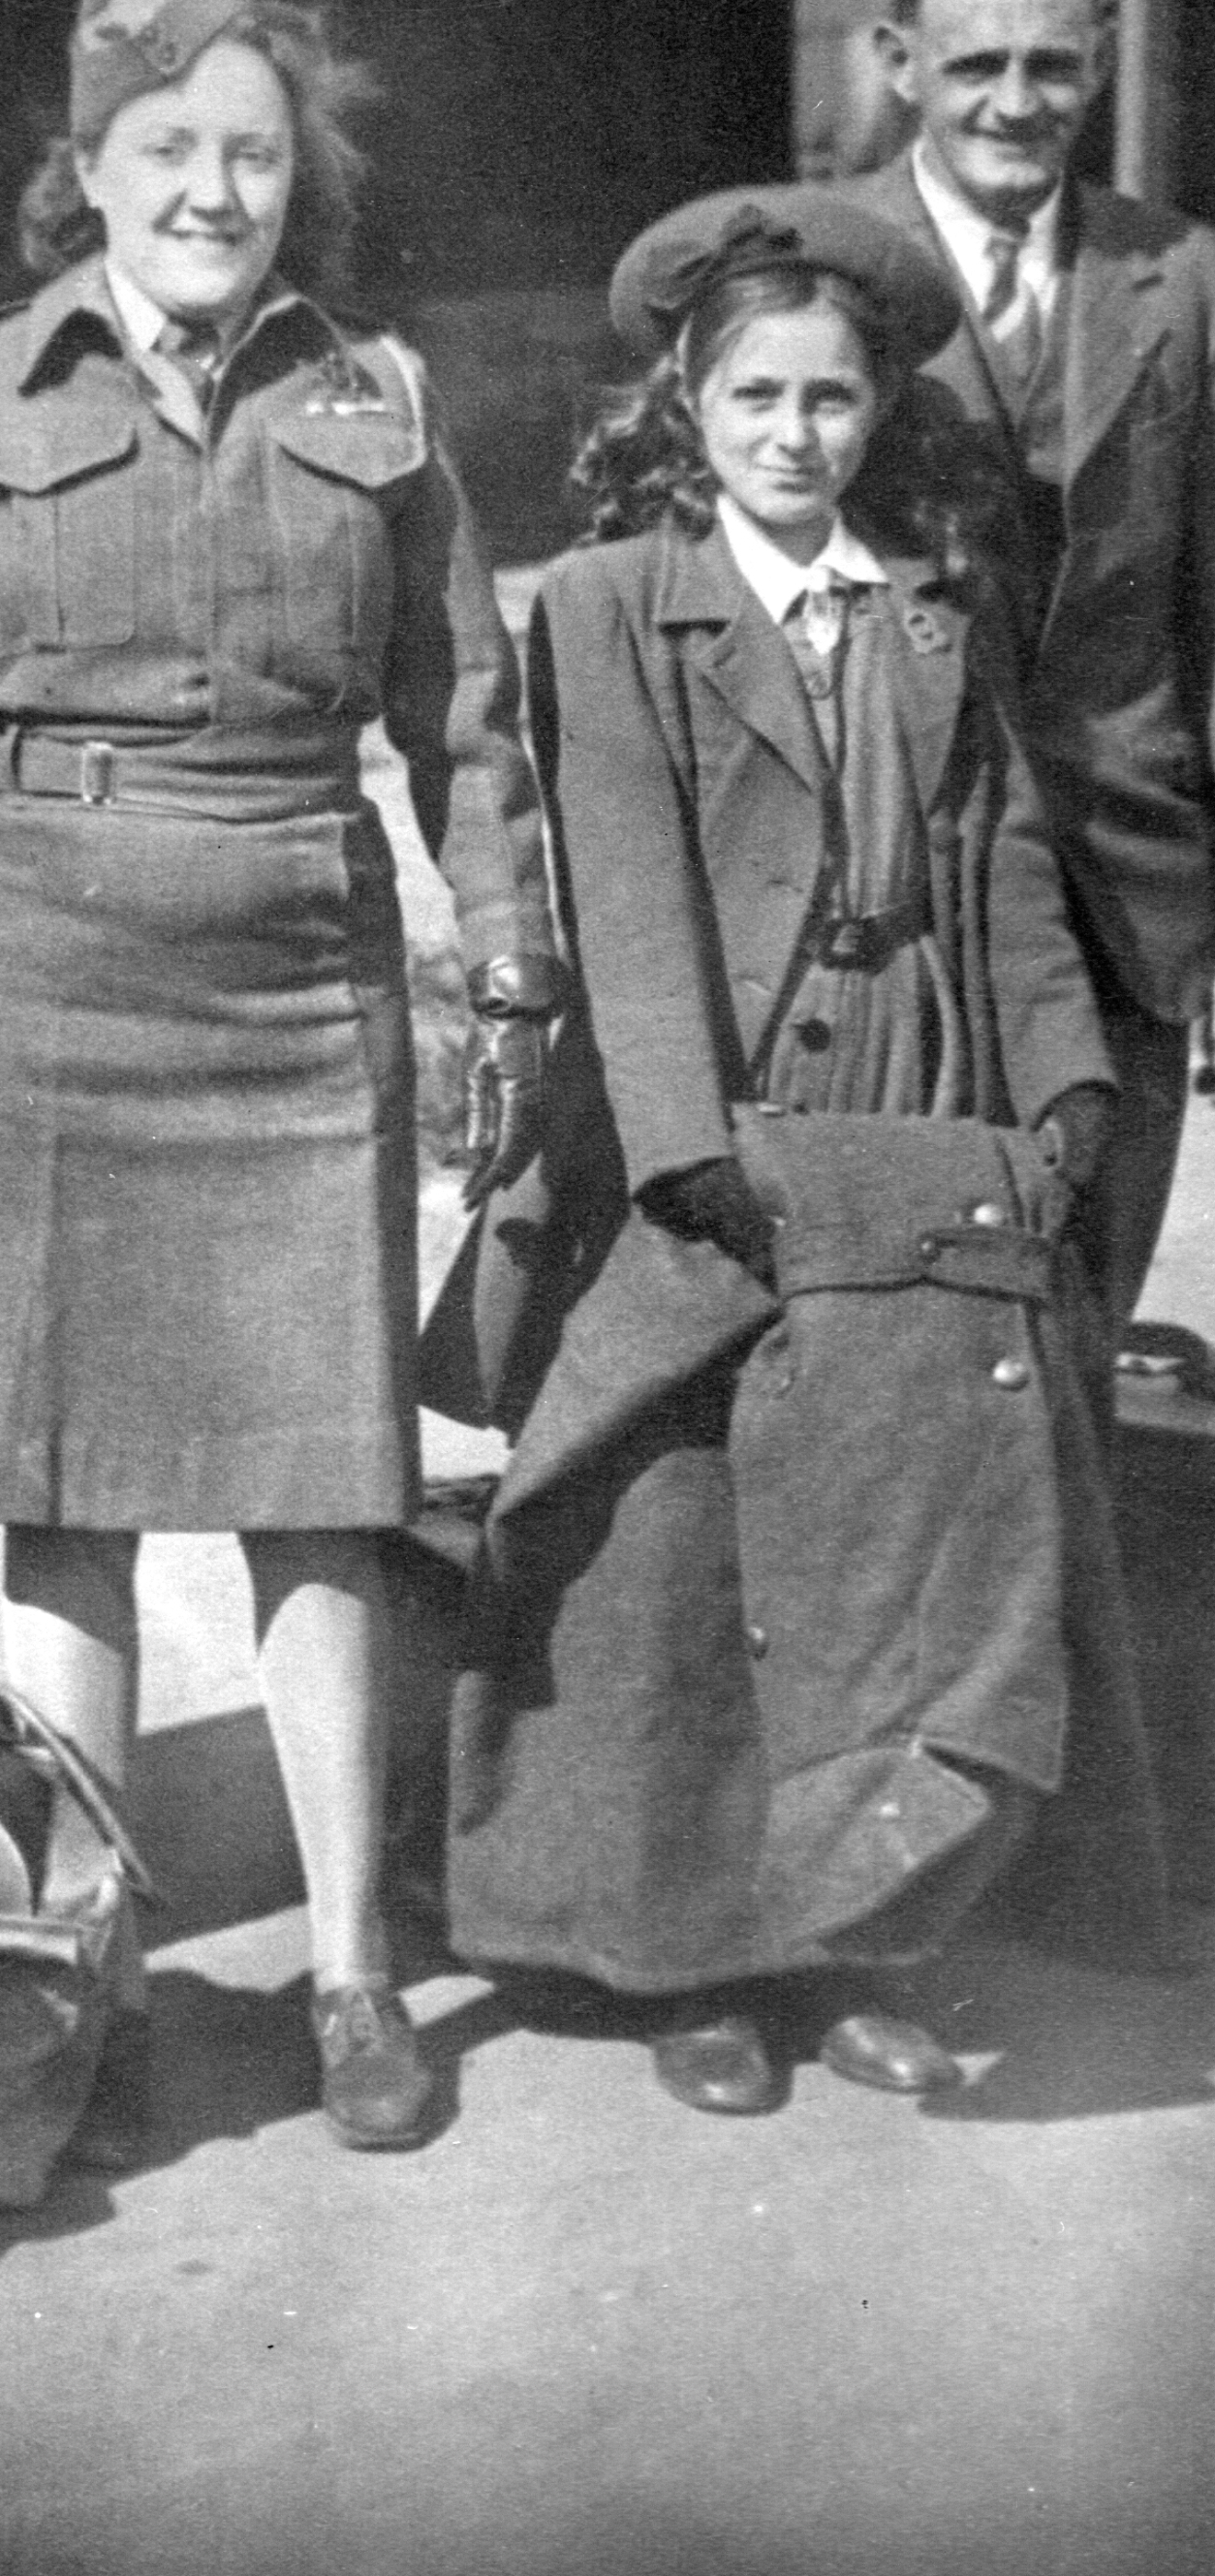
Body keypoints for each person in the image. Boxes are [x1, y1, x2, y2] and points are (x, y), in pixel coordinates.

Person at [0, 0, 561, 2157]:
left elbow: (468, 722)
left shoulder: (380, 405)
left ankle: (349, 1974)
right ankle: (83, 1965)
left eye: (252, 154)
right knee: (66, 1503)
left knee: (322, 1490)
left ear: (292, 179)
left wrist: (505, 964)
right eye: (170, 154)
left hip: (298, 988)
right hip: (42, 972)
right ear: (92, 178)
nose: (214, 190)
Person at [433, 185, 1150, 2117]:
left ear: (875, 411)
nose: (793, 434)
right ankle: (696, 1964)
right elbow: (628, 883)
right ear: (690, 398)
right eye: (754, 394)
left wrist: (1061, 1082)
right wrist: (682, 1147)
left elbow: (998, 865)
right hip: (718, 1118)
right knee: (680, 1545)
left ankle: (850, 1945)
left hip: (907, 1099)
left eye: (832, 399)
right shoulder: (604, 603)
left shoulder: (929, 606)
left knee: (879, 1543)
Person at [854, 0, 1215, 1341]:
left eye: (1053, 61)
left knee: (1075, 1333)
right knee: (905, 1340)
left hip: (1125, 903)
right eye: (975, 62)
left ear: (1102, 51)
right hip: (896, 906)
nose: (1015, 99)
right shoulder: (814, 272)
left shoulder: (1181, 280)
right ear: (895, 65)